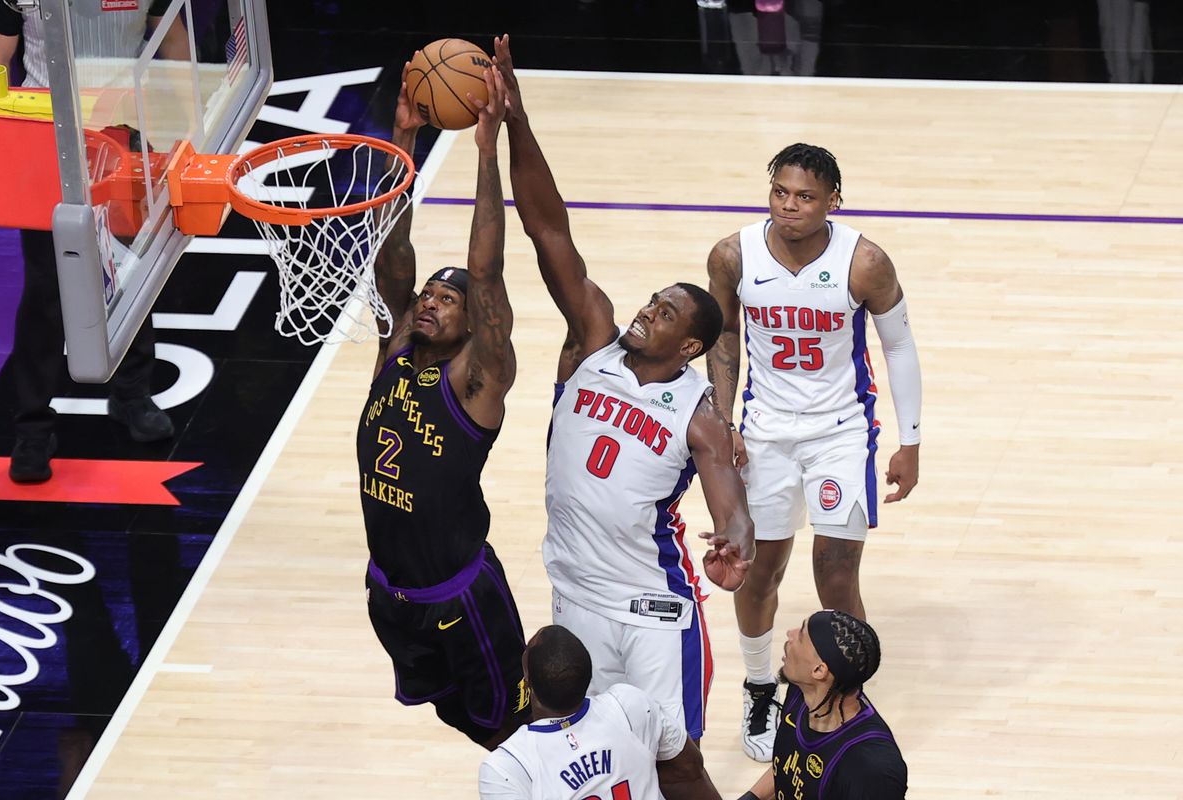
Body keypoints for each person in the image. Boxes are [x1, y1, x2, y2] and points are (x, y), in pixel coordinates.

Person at [494, 34, 754, 743]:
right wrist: (516, 119)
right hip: (574, 598)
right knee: (589, 755)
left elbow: (730, 505)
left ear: (692, 346)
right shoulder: (590, 345)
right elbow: (548, 227)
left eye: (665, 312)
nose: (645, 310)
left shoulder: (696, 415)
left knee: (676, 765)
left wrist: (736, 543)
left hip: (651, 610)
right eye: (650, 300)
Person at [704, 143, 922, 760]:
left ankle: (846, 696)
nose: (789, 206)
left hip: (840, 431)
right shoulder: (732, 254)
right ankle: (758, 686)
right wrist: (723, 421)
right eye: (780, 192)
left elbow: (900, 348)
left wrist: (910, 441)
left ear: (832, 201)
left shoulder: (865, 262)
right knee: (759, 567)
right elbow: (722, 335)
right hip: (765, 429)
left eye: (804, 196)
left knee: (835, 570)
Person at [359, 60, 530, 750]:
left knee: (513, 735)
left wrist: (486, 152)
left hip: (461, 600)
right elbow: (392, 253)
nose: (429, 302)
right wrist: (405, 142)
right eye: (428, 294)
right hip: (389, 594)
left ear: (474, 321)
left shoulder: (477, 378)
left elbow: (487, 272)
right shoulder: (397, 343)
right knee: (453, 717)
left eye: (447, 299)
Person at [0, 0, 189, 483]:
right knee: (46, 288)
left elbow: (175, 42)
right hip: (46, 135)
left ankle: (132, 394)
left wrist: (186, 122)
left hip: (128, 132)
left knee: (130, 269)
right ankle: (32, 427)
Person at [479, 625, 721, 800]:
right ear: (588, 674)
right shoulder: (630, 707)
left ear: (527, 680)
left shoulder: (508, 767)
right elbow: (688, 773)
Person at [736, 610, 907, 800]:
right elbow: (792, 765)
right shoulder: (805, 691)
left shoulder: (871, 770)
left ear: (819, 670)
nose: (789, 634)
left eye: (800, 635)